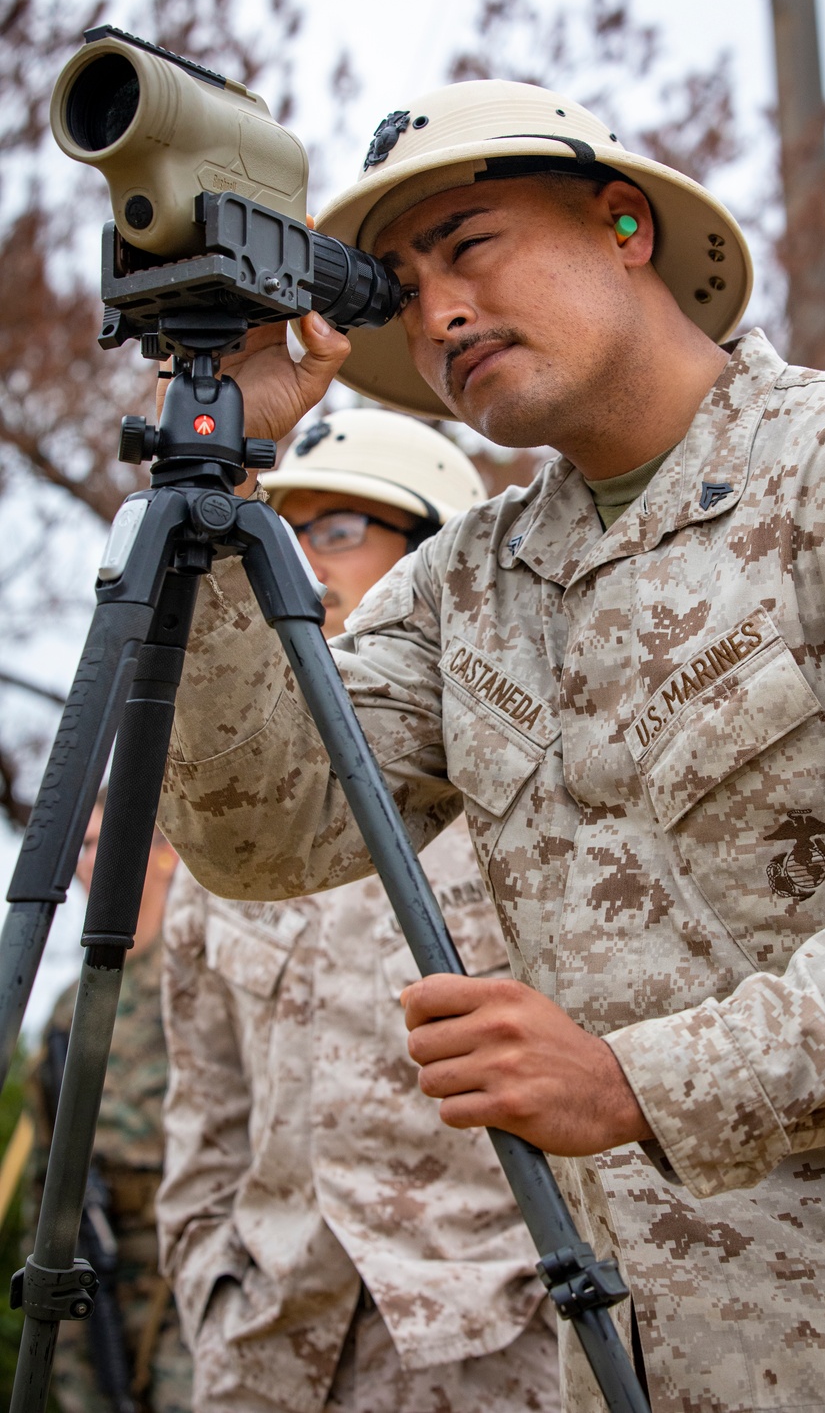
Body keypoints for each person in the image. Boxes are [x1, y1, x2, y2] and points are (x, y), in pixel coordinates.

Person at [157, 79, 825, 1412]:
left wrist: (639, 1083)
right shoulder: (469, 585)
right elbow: (266, 838)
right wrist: (213, 484)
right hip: (619, 1358)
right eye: (399, 282)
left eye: (472, 242)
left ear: (625, 226)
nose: (437, 313)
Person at [156, 408, 560, 1413]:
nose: (302, 565)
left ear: (442, 564)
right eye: (284, 534)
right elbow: (203, 1121)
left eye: (340, 529)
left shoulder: (541, 805)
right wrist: (215, 1287)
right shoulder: (233, 842)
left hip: (495, 1358)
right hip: (266, 1361)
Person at [30, 796, 191, 1413]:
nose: (89, 860)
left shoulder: (197, 981)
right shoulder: (71, 1007)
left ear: (167, 855)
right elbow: (47, 1162)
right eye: (85, 845)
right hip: (88, 1264)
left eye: (107, 842)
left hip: (181, 1259)